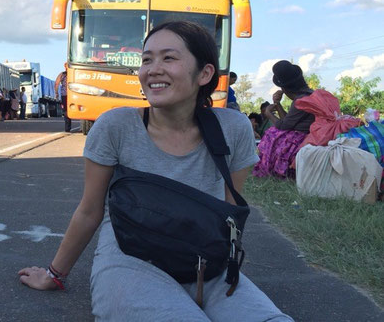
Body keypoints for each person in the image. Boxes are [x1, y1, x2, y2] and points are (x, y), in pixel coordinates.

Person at [18, 21, 292, 321]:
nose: (153, 69)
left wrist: (224, 269)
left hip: (205, 266)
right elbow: (89, 210)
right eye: (147, 59)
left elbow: (228, 212)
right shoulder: (116, 126)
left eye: (168, 58)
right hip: (130, 257)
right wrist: (54, 274)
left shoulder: (233, 128)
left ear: (205, 73)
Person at [254, 60, 315, 179]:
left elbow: (284, 125)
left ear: (285, 88)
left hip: (304, 136)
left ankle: (273, 171)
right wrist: (277, 104)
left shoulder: (301, 100)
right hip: (307, 133)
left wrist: (268, 113)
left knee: (272, 133)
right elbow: (288, 120)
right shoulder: (308, 95)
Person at [55, 64, 71, 132]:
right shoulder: (74, 73)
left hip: (65, 95)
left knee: (66, 110)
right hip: (74, 94)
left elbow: (56, 83)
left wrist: (56, 93)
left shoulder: (62, 74)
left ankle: (67, 127)